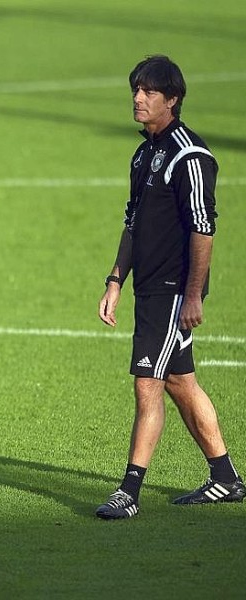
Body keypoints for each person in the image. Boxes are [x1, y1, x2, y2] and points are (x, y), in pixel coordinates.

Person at [95, 55, 244, 520]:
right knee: (181, 382)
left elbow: (203, 229)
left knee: (148, 384)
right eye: (135, 90)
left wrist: (194, 294)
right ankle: (225, 478)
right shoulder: (144, 154)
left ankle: (128, 492)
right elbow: (133, 223)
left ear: (172, 100)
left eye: (149, 92)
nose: (138, 99)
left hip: (174, 289)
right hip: (149, 288)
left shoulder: (191, 156)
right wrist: (116, 279)